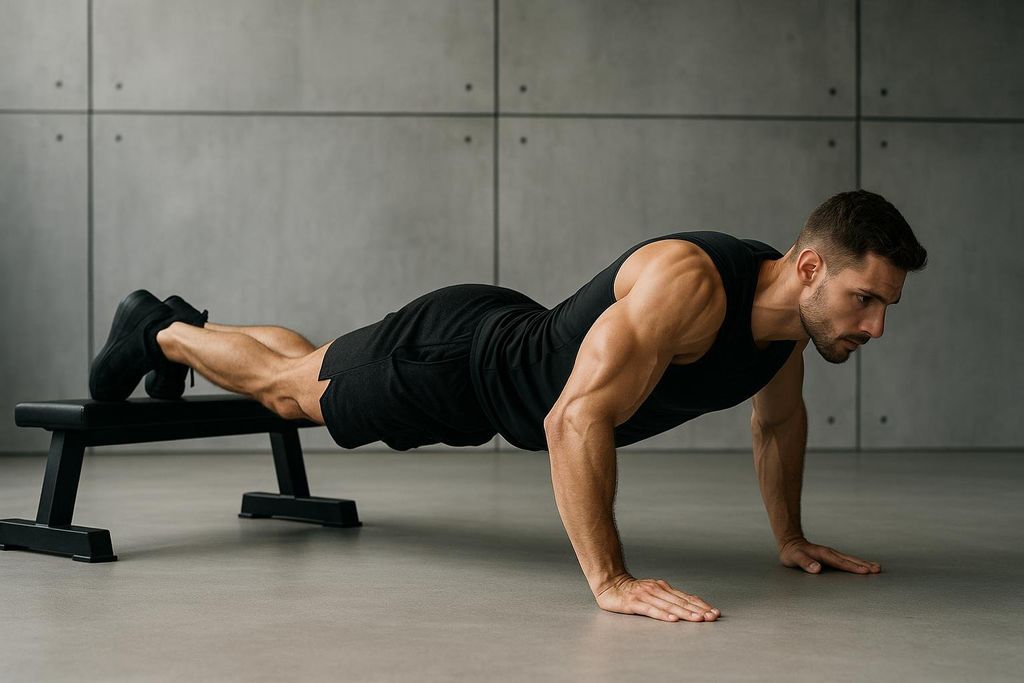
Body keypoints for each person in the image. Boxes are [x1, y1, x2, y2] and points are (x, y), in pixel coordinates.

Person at [88, 189, 928, 624]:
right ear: (812, 267)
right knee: (288, 393)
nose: (877, 326)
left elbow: (777, 421)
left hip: (496, 342)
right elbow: (573, 418)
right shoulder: (693, 283)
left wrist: (788, 537)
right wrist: (611, 581)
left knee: (306, 369)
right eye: (865, 299)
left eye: (886, 307)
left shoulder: (785, 331)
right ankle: (161, 331)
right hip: (457, 363)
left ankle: (180, 327)